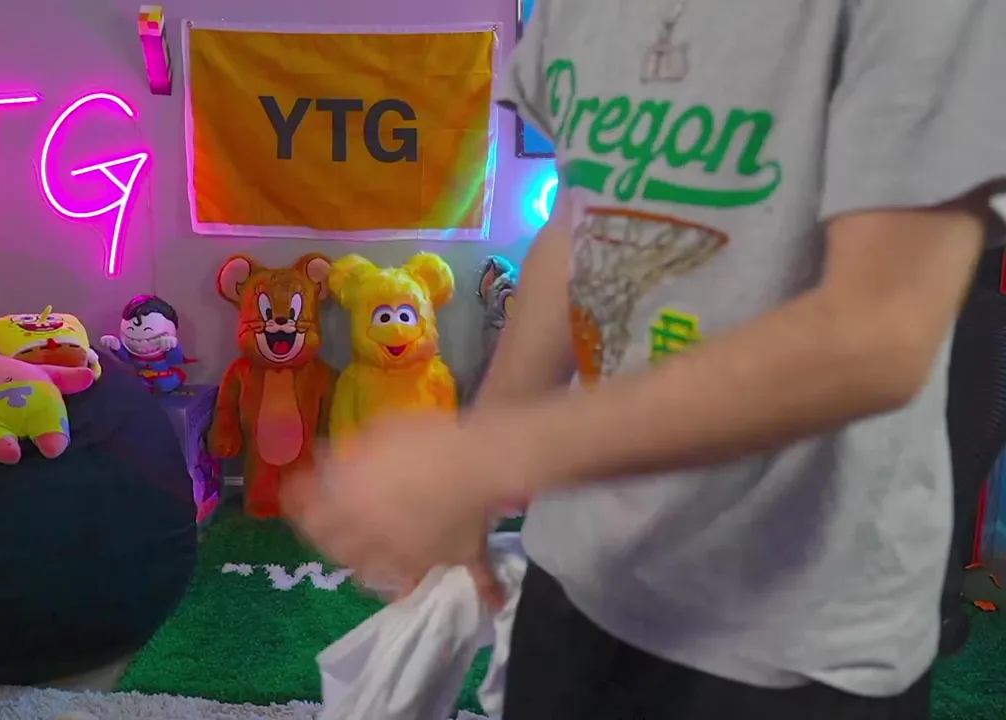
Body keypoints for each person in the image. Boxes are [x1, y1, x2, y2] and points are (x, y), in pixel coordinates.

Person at [283, 1, 1006, 718]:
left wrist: (489, 457)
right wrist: (479, 471)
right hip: (579, 578)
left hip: (798, 629)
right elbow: (582, 215)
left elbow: (879, 332)